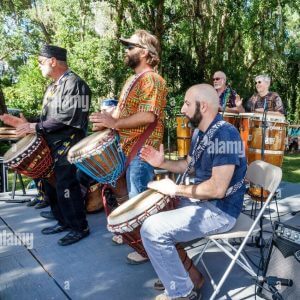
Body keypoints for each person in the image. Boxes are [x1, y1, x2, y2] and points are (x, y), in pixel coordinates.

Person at [139, 84, 247, 300]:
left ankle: (182, 292)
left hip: (220, 211)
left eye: (187, 104)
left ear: (203, 106)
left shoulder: (226, 134)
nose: (182, 109)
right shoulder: (200, 133)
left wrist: (176, 189)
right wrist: (164, 163)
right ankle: (186, 276)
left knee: (152, 229)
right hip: (201, 203)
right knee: (148, 216)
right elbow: (188, 165)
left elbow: (217, 189)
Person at [89, 29, 167, 263]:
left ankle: (147, 247)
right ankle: (133, 234)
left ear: (144, 52)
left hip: (142, 151)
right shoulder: (134, 79)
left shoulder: (152, 79)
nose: (127, 50)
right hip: (128, 148)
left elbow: (149, 116)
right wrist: (105, 120)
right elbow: (122, 110)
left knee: (139, 199)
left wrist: (115, 122)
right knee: (130, 198)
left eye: (131, 47)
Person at [15, 45, 91, 246]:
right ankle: (64, 222)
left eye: (40, 62)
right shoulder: (52, 87)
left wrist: (34, 126)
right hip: (50, 146)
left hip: (69, 145)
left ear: (53, 61)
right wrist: (28, 122)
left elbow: (68, 118)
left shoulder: (76, 84)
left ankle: (79, 227)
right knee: (51, 186)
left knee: (67, 185)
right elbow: (47, 118)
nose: (39, 67)